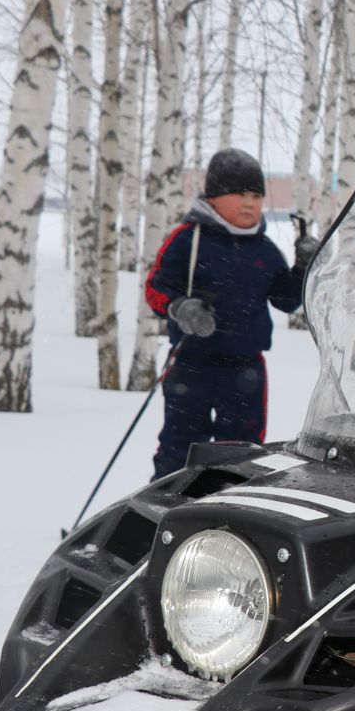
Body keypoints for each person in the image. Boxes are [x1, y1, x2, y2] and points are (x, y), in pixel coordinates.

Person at [143, 148, 318, 479]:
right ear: (213, 197)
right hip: (190, 367)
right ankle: (162, 517)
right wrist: (180, 307)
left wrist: (305, 266)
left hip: (245, 371)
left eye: (256, 195)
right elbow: (155, 287)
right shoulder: (188, 239)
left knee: (242, 457)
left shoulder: (264, 250)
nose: (249, 203)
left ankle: (228, 521)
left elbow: (286, 300)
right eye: (238, 194)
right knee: (178, 452)